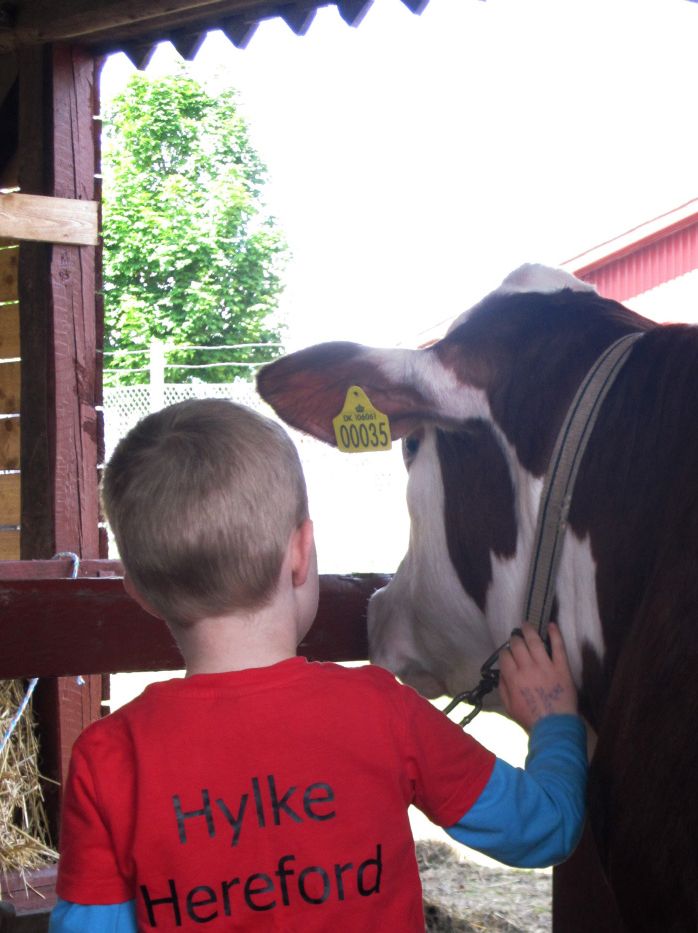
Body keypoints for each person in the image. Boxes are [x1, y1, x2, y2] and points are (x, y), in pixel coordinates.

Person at [50, 399, 586, 933]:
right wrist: (554, 722)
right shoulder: (382, 710)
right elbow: (543, 828)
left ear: (138, 592)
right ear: (302, 552)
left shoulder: (108, 760)